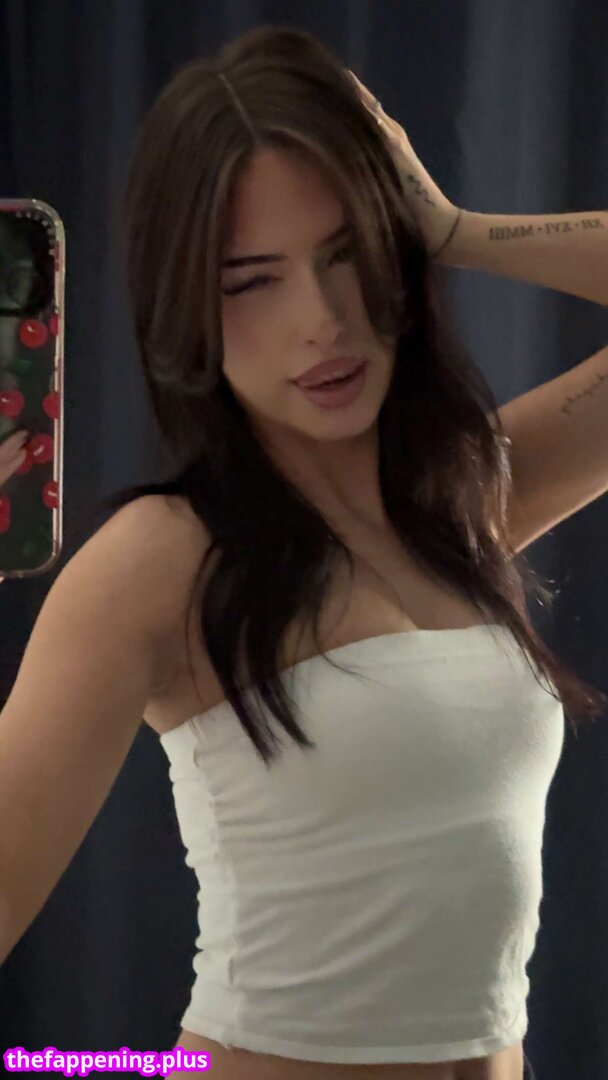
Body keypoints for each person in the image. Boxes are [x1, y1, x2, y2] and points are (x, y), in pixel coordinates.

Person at [1, 24, 603, 1080]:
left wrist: (457, 229)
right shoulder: (160, 562)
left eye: (345, 253)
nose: (321, 321)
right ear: (187, 305)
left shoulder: (465, 500)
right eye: (252, 281)